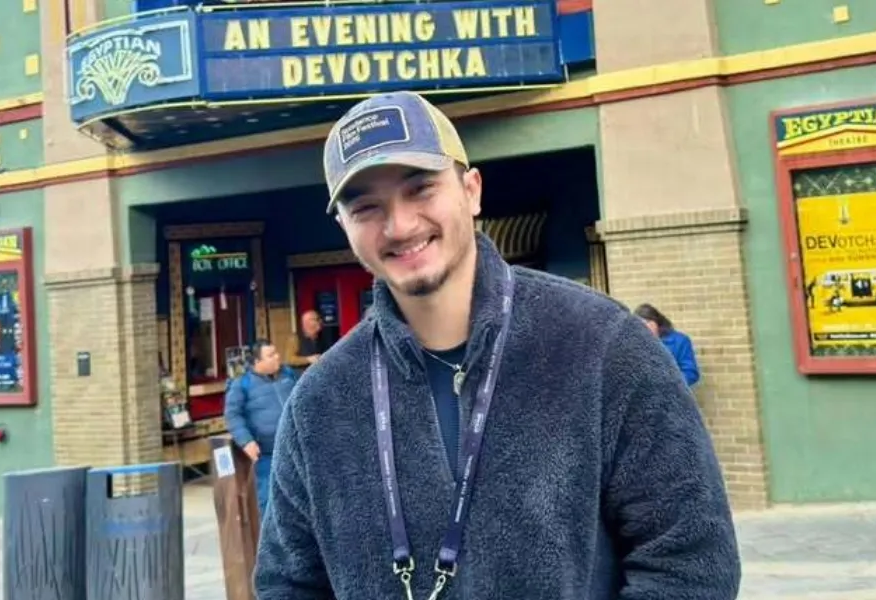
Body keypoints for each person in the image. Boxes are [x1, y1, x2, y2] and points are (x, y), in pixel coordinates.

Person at [254, 91, 739, 599]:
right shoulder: (319, 403)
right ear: (345, 228)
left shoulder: (602, 345)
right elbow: (288, 584)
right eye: (366, 207)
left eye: (420, 189)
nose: (399, 225)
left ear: (471, 190)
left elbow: (691, 560)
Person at [223, 339, 296, 517]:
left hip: (295, 450)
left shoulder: (289, 375)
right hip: (266, 454)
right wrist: (246, 441)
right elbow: (233, 415)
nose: (277, 357)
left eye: (276, 352)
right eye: (270, 355)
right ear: (257, 362)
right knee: (270, 504)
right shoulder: (242, 384)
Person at [636, 303, 701, 387]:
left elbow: (691, 373)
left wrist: (668, 384)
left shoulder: (680, 341)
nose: (644, 327)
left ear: (657, 322)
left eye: (648, 322)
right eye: (640, 324)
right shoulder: (636, 343)